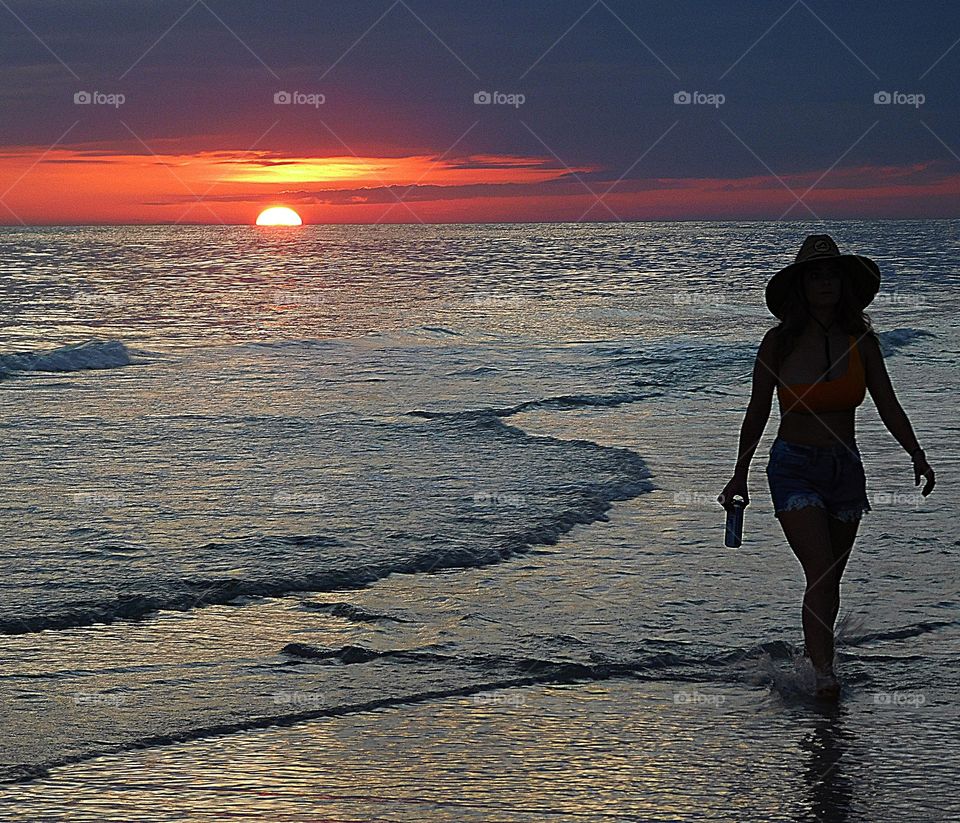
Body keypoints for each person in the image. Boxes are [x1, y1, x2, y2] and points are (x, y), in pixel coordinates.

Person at [718, 234, 936, 701]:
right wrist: (740, 473)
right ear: (800, 285)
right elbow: (757, 410)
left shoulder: (861, 341)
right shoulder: (778, 343)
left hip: (846, 469)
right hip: (793, 466)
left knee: (830, 575)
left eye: (831, 273)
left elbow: (888, 404)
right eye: (815, 275)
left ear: (844, 282)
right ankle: (823, 677)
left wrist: (916, 453)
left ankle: (819, 658)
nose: (824, 282)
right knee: (819, 569)